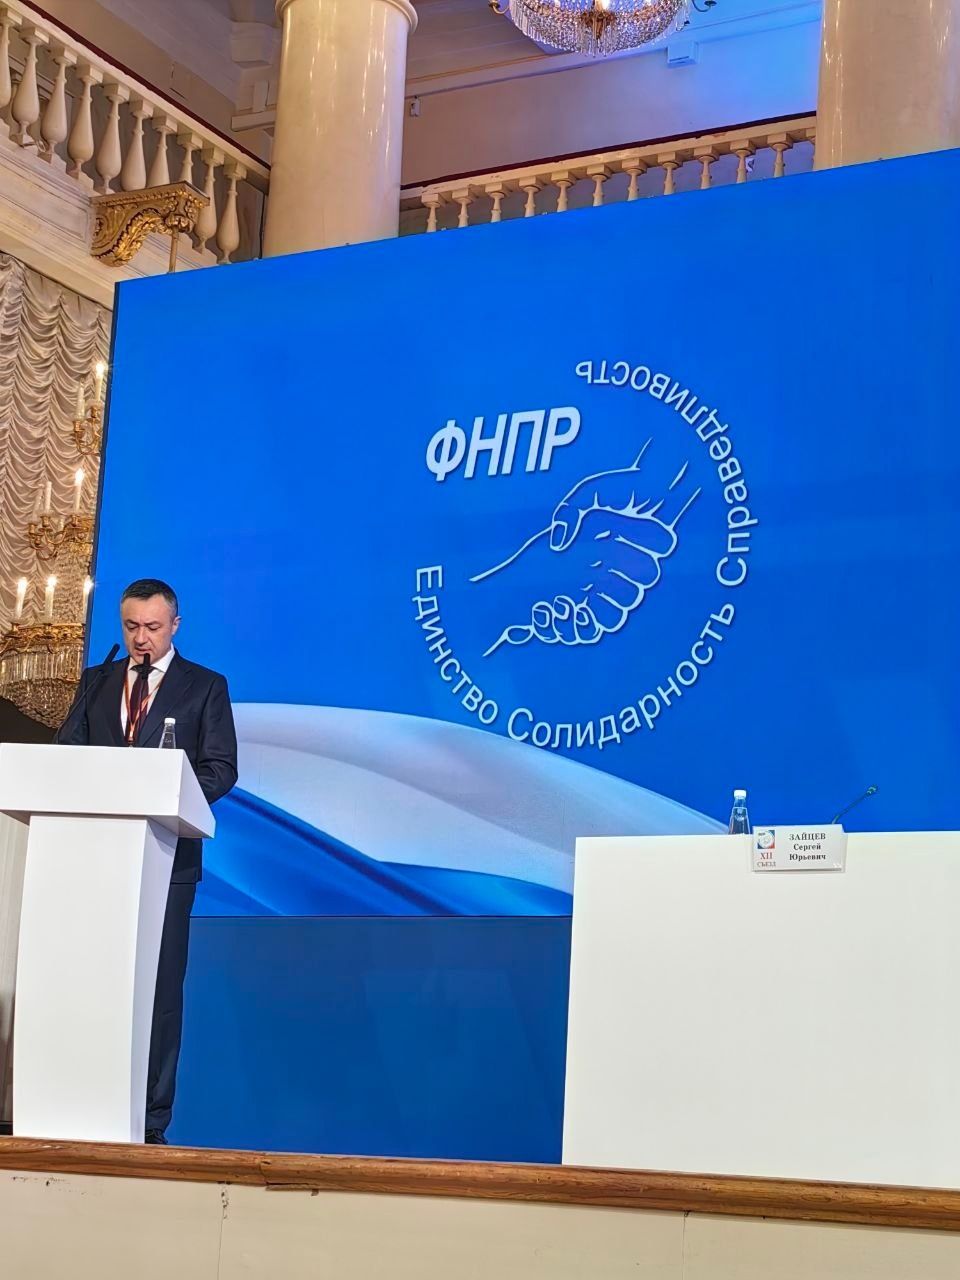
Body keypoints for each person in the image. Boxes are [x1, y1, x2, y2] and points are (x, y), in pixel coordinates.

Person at [57, 578, 237, 1144]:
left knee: (158, 990)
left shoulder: (205, 686)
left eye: (153, 627)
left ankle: (150, 1120)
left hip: (167, 859)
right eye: (132, 626)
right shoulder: (97, 680)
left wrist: (166, 794)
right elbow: (67, 756)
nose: (141, 638)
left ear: (174, 626)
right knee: (94, 980)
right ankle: (84, 1105)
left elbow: (221, 768)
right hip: (96, 858)